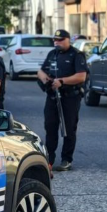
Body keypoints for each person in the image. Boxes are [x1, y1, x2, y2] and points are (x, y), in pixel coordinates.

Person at [37, 29, 88, 171]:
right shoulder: (52, 54)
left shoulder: (76, 55)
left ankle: (66, 159)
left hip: (70, 97)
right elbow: (41, 71)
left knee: (69, 128)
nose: (57, 42)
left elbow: (81, 76)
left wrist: (62, 81)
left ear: (68, 40)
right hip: (53, 96)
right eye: (55, 40)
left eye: (60, 40)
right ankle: (50, 158)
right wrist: (45, 78)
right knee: (50, 126)